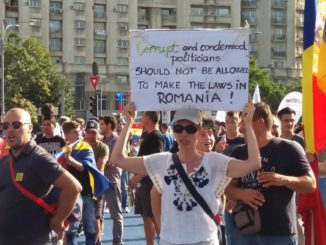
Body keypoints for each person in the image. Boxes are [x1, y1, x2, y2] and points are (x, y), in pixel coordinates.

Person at [111, 101, 261, 245]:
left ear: (199, 129)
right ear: (173, 130)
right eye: (178, 128)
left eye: (190, 129)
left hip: (204, 241)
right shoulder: (162, 161)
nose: (184, 134)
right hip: (170, 241)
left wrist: (248, 124)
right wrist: (128, 123)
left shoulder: (215, 162)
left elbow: (254, 163)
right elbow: (117, 158)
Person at [225, 102, 316, 245]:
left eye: (245, 122)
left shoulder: (289, 148)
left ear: (260, 123)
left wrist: (284, 179)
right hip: (244, 231)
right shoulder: (239, 152)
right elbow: (227, 188)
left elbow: (311, 184)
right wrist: (241, 194)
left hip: (279, 234)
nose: (241, 128)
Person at [0, 108, 82, 245]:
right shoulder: (5, 160)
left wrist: (58, 220)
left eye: (16, 125)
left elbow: (73, 187)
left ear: (30, 128)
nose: (10, 130)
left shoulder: (38, 157)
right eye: (5, 126)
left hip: (34, 239)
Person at [62, 121, 108, 245]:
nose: (79, 134)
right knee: (71, 230)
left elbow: (83, 167)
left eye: (79, 131)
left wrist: (69, 159)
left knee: (90, 229)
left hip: (86, 192)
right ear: (66, 135)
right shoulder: (62, 148)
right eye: (75, 132)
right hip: (70, 194)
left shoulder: (85, 147)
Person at [128, 111, 165, 245]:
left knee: (152, 216)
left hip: (150, 183)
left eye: (143, 116)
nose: (141, 118)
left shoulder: (156, 137)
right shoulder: (148, 136)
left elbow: (156, 162)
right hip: (144, 182)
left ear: (148, 118)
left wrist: (136, 178)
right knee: (147, 216)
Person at [99, 115, 124, 245]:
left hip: (112, 180)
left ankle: (117, 242)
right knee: (99, 214)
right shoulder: (101, 141)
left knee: (116, 214)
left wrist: (100, 162)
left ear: (109, 125)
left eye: (102, 124)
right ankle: (98, 240)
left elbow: (114, 160)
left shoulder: (117, 140)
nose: (100, 126)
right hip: (100, 180)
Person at [84, 120, 109, 245]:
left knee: (96, 216)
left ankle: (97, 242)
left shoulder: (103, 147)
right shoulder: (80, 145)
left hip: (97, 186)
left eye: (93, 132)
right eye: (88, 132)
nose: (90, 135)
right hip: (82, 186)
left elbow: (100, 168)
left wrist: (83, 167)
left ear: (98, 132)